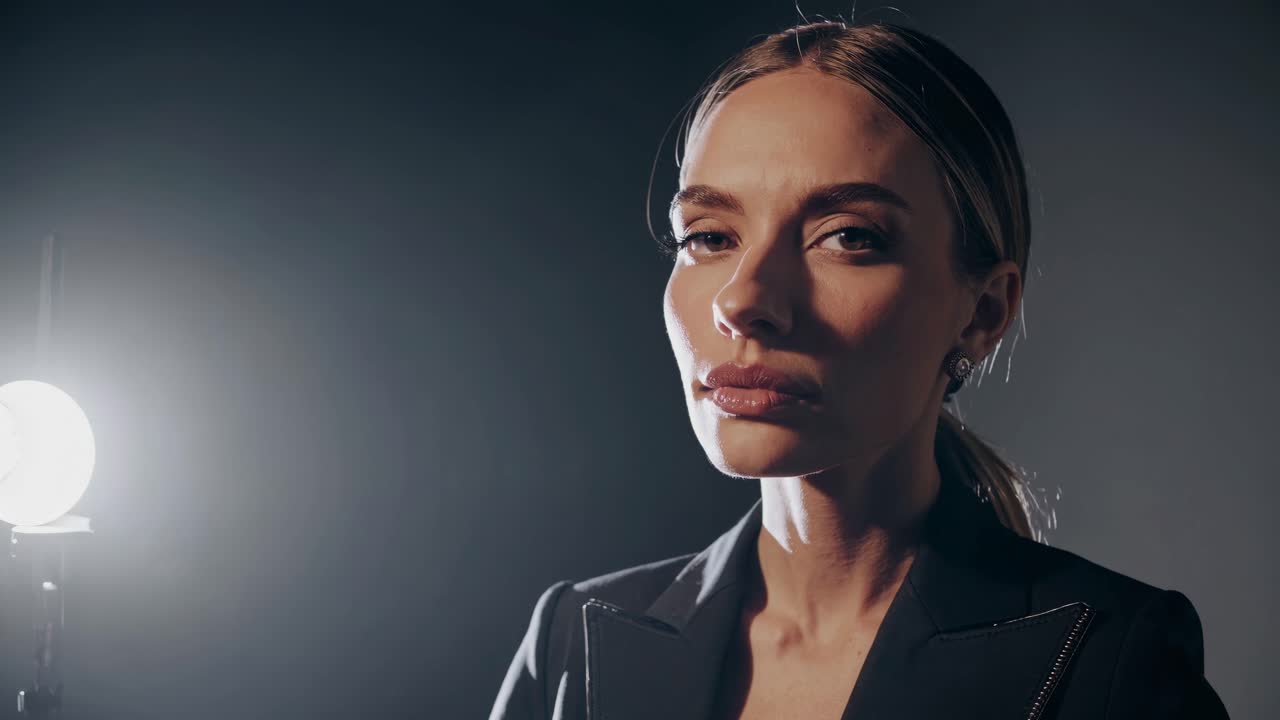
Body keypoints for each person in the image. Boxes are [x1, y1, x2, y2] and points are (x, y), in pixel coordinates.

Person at [487, 20, 1229, 720]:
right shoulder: (571, 645)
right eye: (709, 236)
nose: (743, 301)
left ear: (982, 312)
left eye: (847, 237)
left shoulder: (1114, 663)